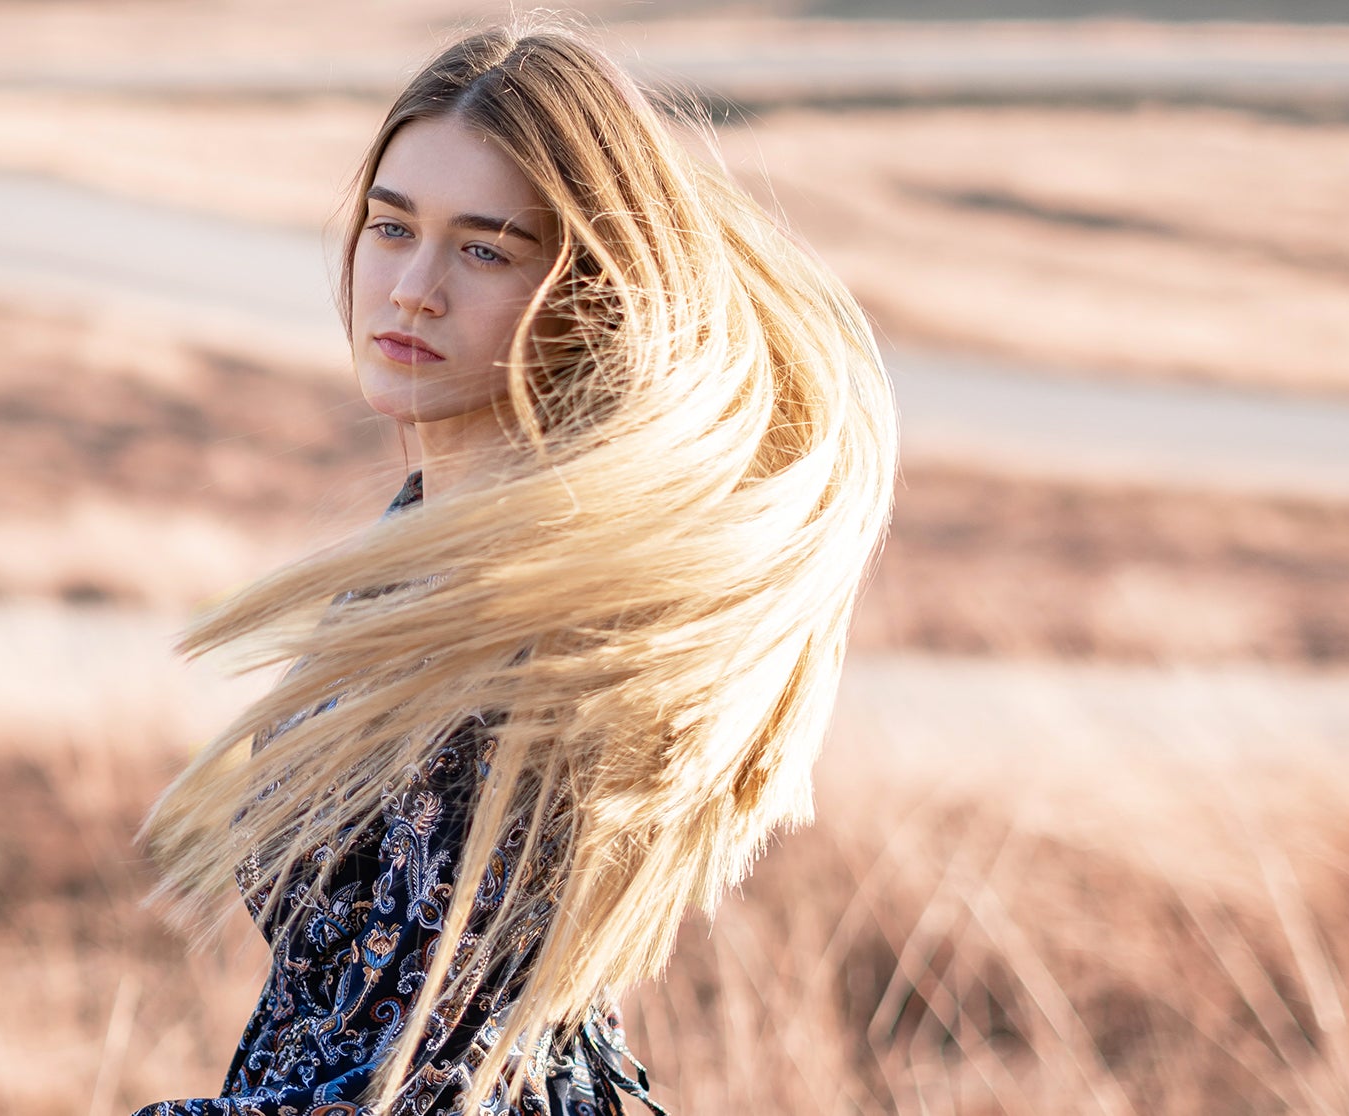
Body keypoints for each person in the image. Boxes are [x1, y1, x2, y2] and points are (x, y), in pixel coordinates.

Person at [133, 19, 897, 1116]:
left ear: (591, 289)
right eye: (391, 228)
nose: (412, 288)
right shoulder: (410, 560)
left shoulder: (545, 630)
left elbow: (437, 1076)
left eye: (484, 248)